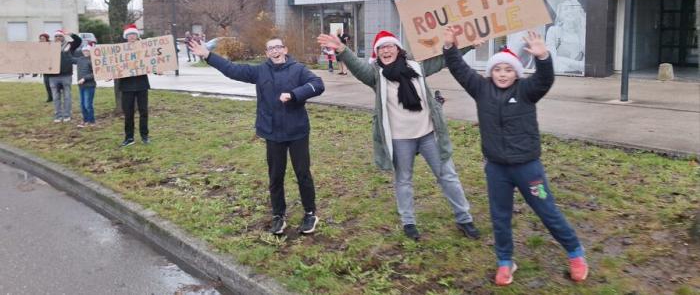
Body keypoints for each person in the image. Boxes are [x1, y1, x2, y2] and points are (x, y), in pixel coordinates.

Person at [442, 28, 588, 286]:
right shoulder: (480, 89)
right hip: (496, 170)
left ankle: (575, 252)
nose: (502, 74)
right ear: (490, 72)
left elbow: (545, 80)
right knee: (500, 217)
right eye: (497, 69)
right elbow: (458, 69)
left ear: (517, 73)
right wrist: (449, 46)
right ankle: (505, 262)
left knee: (547, 211)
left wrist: (543, 58)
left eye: (508, 70)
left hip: (528, 169)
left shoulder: (527, 90)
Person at [317, 30, 480, 241]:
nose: (386, 50)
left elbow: (442, 60)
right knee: (404, 180)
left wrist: (469, 45)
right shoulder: (376, 75)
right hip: (400, 138)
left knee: (447, 176)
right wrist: (342, 49)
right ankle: (408, 222)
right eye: (381, 48)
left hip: (429, 134)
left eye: (389, 46)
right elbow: (358, 68)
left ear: (397, 48)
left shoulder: (416, 66)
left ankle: (464, 218)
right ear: (377, 53)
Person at [188, 36, 325, 235]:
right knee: (275, 176)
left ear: (285, 49)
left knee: (302, 173)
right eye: (271, 49)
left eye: (278, 47)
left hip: (297, 132)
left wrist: (294, 94)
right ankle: (278, 216)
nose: (275, 51)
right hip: (272, 132)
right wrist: (208, 56)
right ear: (267, 53)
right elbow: (232, 70)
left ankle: (310, 213)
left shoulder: (298, 69)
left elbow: (317, 84)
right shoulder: (260, 71)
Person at [119, 24, 150, 147]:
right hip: (126, 86)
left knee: (144, 112)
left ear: (137, 36)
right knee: (128, 113)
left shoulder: (143, 49)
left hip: (142, 85)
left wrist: (157, 70)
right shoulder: (120, 51)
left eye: (134, 35)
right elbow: (114, 66)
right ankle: (129, 137)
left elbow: (150, 61)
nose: (131, 37)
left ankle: (144, 136)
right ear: (126, 37)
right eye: (129, 35)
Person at [545, 0, 586, 74]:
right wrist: (578, 65)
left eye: (572, 8)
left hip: (579, 79)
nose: (570, 11)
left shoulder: (582, 33)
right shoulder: (553, 31)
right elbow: (552, 61)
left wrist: (562, 60)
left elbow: (588, 65)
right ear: (560, 13)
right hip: (560, 77)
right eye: (566, 9)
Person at [49, 30, 82, 123]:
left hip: (66, 75)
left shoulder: (69, 46)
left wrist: (70, 34)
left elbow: (78, 41)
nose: (58, 38)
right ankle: (58, 116)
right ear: (54, 38)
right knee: (56, 98)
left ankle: (67, 115)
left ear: (63, 37)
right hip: (53, 76)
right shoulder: (49, 47)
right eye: (56, 36)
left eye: (60, 36)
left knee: (67, 96)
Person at [73, 43, 97, 127]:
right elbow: (70, 59)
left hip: (89, 85)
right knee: (82, 104)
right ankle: (85, 120)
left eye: (87, 50)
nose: (85, 52)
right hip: (81, 86)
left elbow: (95, 73)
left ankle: (92, 121)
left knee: (88, 104)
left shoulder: (93, 60)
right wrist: (65, 52)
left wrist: (85, 78)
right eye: (84, 50)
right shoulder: (80, 59)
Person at [38, 33, 53, 102]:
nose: (41, 40)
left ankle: (55, 96)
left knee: (53, 84)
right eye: (40, 39)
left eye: (43, 38)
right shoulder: (39, 47)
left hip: (52, 67)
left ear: (46, 39)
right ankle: (50, 97)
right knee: (47, 83)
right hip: (45, 68)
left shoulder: (51, 45)